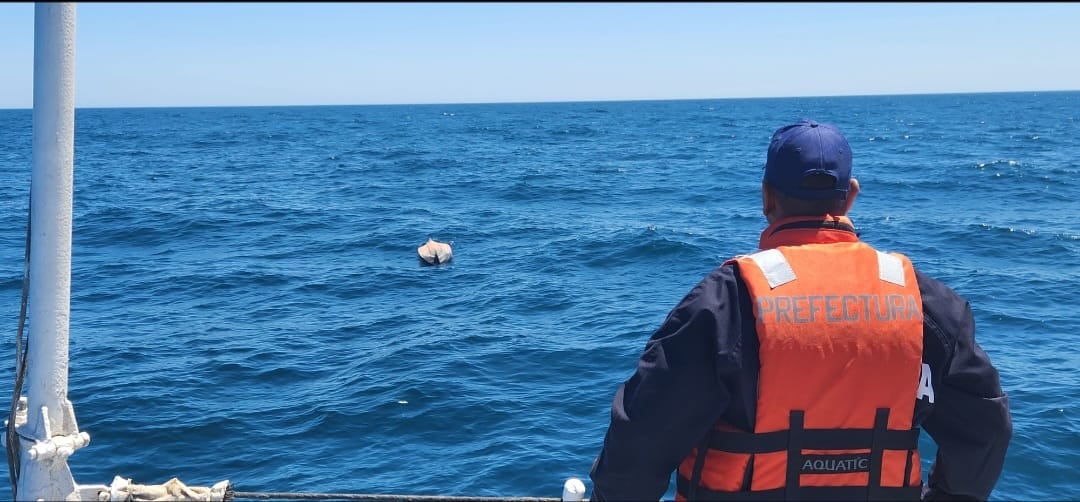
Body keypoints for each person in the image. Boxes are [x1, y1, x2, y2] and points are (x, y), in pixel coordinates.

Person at [588, 119, 1012, 501]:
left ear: (767, 198)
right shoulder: (923, 302)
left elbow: (640, 442)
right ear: (851, 196)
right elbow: (985, 431)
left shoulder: (725, 302)